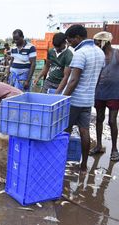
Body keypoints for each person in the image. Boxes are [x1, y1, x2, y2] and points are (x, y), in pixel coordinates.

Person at [63, 25, 105, 172]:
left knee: (65, 130)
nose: (69, 44)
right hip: (88, 100)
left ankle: (60, 161)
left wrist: (62, 99)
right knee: (84, 131)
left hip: (74, 100)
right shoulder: (100, 52)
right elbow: (98, 77)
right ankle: (83, 166)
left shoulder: (80, 53)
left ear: (78, 38)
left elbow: (73, 80)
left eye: (70, 41)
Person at [90, 31, 119, 161]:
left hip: (114, 93)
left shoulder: (117, 54)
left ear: (104, 42)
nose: (95, 44)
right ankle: (99, 146)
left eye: (97, 42)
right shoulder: (98, 55)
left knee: (112, 121)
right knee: (99, 119)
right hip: (99, 92)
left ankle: (114, 149)